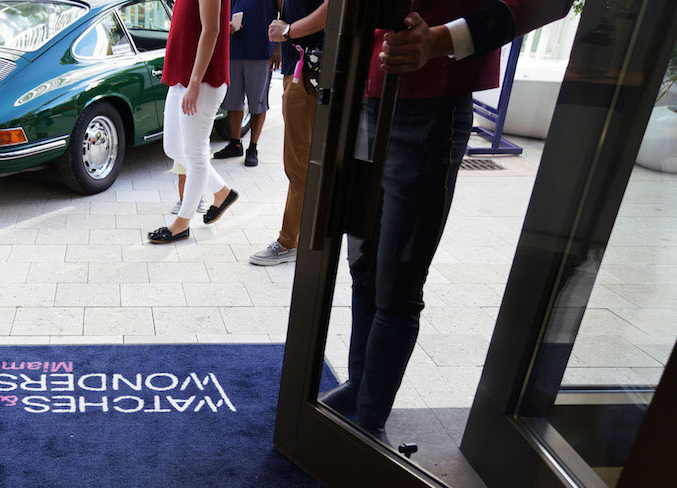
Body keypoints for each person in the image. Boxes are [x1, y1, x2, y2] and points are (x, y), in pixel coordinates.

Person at [319, 0, 571, 440]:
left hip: (430, 99)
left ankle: (368, 423)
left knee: (397, 282)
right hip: (364, 92)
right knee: (364, 265)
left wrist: (441, 40)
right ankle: (361, 391)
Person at [148, 0, 240, 244]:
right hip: (181, 76)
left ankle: (182, 223)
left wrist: (195, 81)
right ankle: (222, 192)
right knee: (173, 148)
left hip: (202, 81)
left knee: (194, 154)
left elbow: (212, 30)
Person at [246, 0, 328, 265]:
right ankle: (302, 237)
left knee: (299, 163)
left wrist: (287, 31)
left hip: (312, 71)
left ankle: (290, 240)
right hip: (301, 69)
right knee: (300, 162)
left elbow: (331, 9)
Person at [212, 0, 282, 166]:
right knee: (233, 101)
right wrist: (227, 28)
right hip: (233, 48)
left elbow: (284, 14)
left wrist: (278, 47)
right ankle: (235, 144)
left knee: (258, 102)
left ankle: (253, 147)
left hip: (261, 50)